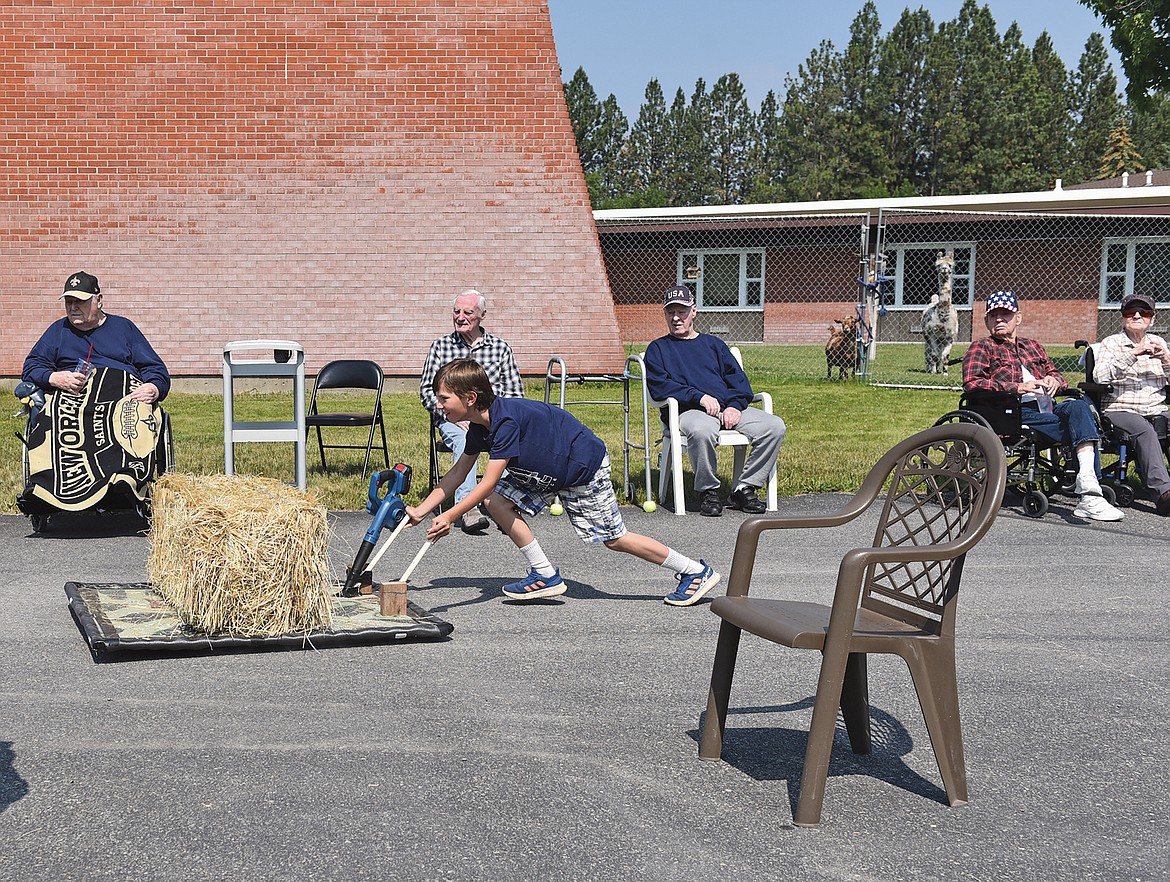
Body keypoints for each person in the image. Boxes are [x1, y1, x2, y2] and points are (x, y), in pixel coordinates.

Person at [405, 359, 721, 607]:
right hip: (545, 470)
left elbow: (486, 482)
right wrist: (422, 510)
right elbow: (458, 474)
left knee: (613, 538)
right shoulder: (478, 426)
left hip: (581, 468)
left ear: (470, 397)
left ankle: (695, 571)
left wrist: (448, 516)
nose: (440, 405)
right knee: (496, 503)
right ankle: (544, 574)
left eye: (444, 398)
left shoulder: (505, 421)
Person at [962, 290, 1124, 522]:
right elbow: (972, 383)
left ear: (1018, 318)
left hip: (1047, 407)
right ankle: (1090, 493)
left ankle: (1088, 484)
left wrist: (1054, 381)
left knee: (1078, 408)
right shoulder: (982, 347)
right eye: (993, 315)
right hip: (1011, 411)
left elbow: (1058, 375)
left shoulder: (1033, 346)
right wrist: (1017, 387)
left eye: (1005, 314)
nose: (999, 319)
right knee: (1081, 429)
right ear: (986, 321)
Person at [643, 285, 787, 517]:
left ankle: (744, 488)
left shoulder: (714, 345)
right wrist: (698, 397)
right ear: (665, 315)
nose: (676, 318)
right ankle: (708, 492)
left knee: (774, 426)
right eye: (671, 313)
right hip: (687, 411)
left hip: (727, 408)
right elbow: (660, 387)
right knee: (702, 430)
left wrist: (734, 406)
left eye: (682, 311)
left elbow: (739, 382)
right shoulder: (658, 349)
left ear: (694, 311)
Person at [419, 289, 524, 534]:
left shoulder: (499, 348)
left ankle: (504, 502)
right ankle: (468, 509)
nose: (460, 317)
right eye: (456, 311)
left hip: (494, 419)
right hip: (454, 420)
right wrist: (457, 417)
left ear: (482, 315)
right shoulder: (440, 347)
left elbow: (515, 393)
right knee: (463, 439)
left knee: (508, 441)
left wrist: (487, 418)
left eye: (468, 312)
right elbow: (426, 391)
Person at [22, 271, 170, 404]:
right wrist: (54, 378)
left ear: (99, 300)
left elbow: (154, 368)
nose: (73, 307)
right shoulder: (58, 330)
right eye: (69, 301)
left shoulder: (123, 328)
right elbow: (31, 368)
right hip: (71, 402)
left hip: (121, 399)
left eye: (80, 301)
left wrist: (153, 387)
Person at [1091, 292, 1170, 516]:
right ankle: (1163, 493)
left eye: (1143, 312)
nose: (1137, 315)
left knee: (1157, 422)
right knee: (1144, 430)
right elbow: (1100, 376)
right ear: (1123, 318)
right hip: (1120, 408)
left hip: (1156, 408)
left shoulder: (1159, 342)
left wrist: (1165, 358)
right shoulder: (1111, 343)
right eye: (1130, 312)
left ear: (1152, 319)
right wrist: (1133, 354)